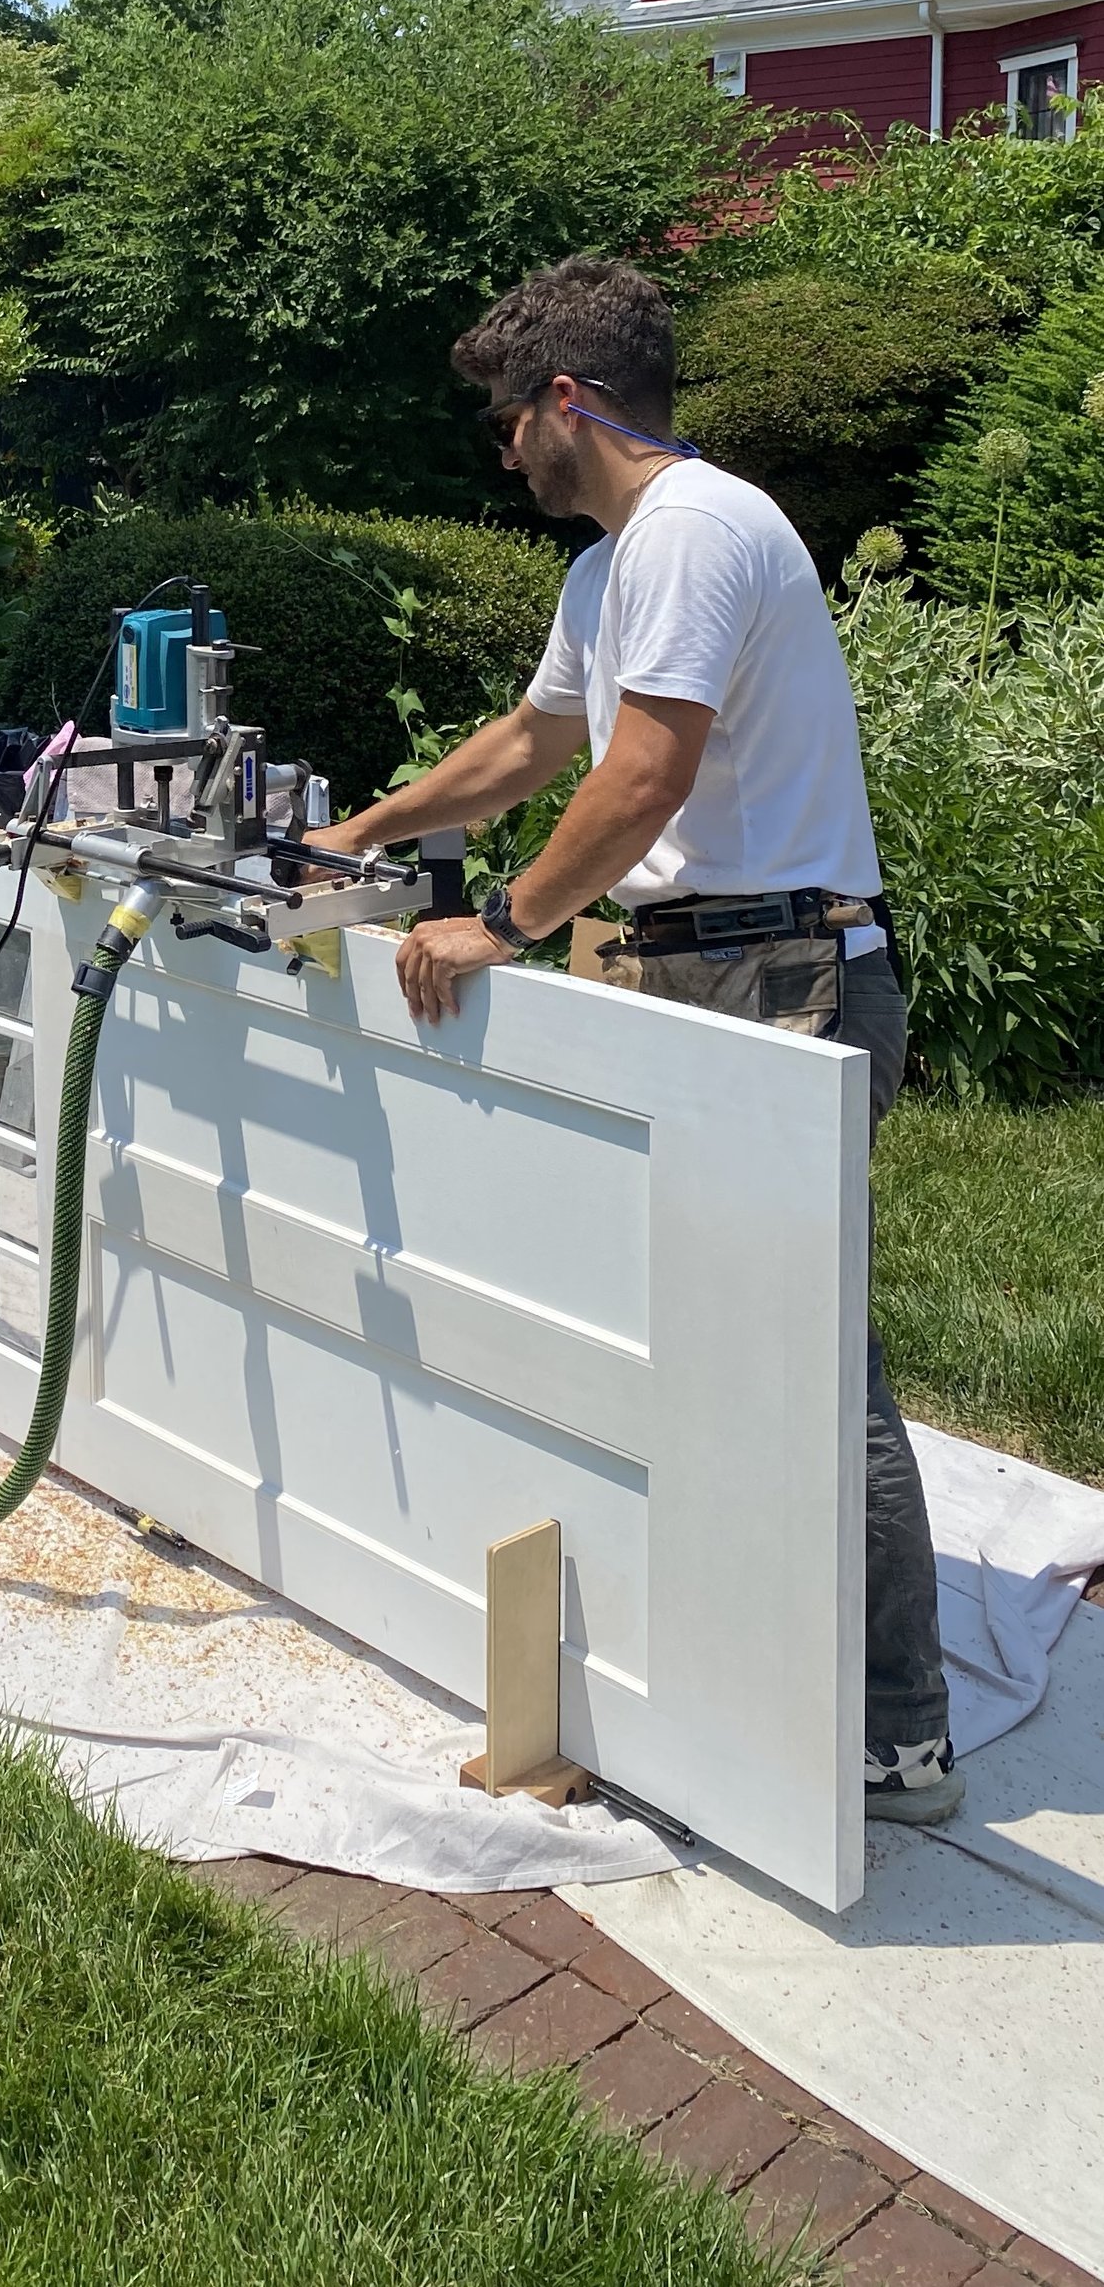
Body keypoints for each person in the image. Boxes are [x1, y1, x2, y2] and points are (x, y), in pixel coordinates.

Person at [310, 254, 957, 1823]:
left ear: (568, 402)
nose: (500, 447)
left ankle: (902, 1727)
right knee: (705, 1336)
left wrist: (508, 920)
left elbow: (644, 776)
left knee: (810, 1357)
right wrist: (371, 829)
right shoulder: (611, 570)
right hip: (708, 970)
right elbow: (541, 740)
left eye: (505, 416)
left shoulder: (693, 530)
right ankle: (743, 1647)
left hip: (790, 973)